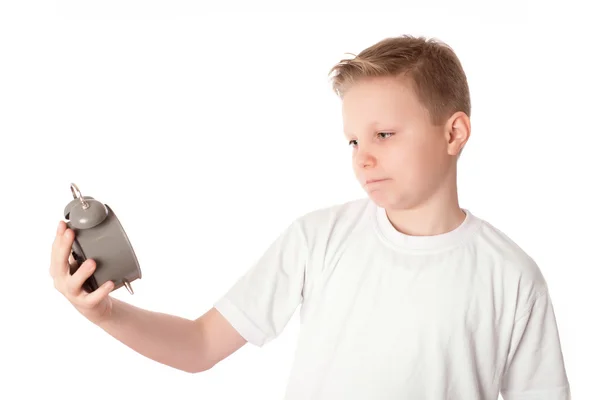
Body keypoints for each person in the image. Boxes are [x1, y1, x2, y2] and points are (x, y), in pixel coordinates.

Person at [49, 35, 571, 399]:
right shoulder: (318, 239)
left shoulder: (513, 278)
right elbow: (201, 345)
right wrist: (103, 314)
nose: (362, 157)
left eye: (384, 135)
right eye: (353, 140)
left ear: (454, 133)